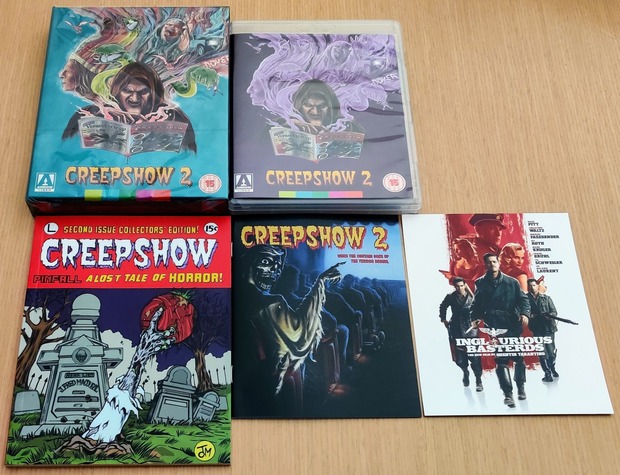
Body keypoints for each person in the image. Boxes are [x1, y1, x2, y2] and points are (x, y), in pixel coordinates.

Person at [234, 244, 342, 416]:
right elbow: (300, 329)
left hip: (244, 375)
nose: (275, 269)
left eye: (278, 264)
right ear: (250, 263)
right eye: (266, 262)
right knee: (300, 360)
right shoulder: (272, 302)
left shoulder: (235, 296)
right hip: (268, 374)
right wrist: (320, 281)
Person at [63, 62, 196, 152]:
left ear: (154, 95)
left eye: (143, 91)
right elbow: (67, 149)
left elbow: (190, 156)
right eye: (127, 90)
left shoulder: (174, 117)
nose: (134, 98)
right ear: (117, 91)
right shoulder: (89, 114)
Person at [471, 254, 530, 408]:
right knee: (501, 359)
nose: (492, 264)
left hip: (512, 323)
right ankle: (508, 394)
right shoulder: (480, 283)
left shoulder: (512, 282)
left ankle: (521, 388)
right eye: (489, 262)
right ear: (485, 265)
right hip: (494, 325)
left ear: (498, 263)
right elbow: (476, 304)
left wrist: (524, 313)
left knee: (518, 357)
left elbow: (523, 300)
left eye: (494, 261)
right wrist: (475, 317)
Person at [439, 277, 483, 392]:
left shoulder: (473, 297)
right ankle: (465, 372)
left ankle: (478, 380)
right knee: (460, 358)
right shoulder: (451, 297)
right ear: (455, 287)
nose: (460, 288)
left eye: (462, 286)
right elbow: (443, 306)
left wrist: (478, 319)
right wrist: (443, 319)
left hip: (470, 328)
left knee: (475, 357)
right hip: (456, 328)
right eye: (457, 286)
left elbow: (480, 309)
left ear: (465, 285)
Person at [291, 79, 363, 134]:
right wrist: (291, 124)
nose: (315, 111)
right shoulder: (291, 124)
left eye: (322, 105)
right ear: (299, 107)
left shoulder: (346, 125)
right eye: (309, 105)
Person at [527, 278, 559, 382]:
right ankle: (547, 373)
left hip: (548, 328)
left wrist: (549, 316)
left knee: (551, 352)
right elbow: (521, 312)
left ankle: (552, 368)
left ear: (537, 286)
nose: (532, 287)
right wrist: (530, 316)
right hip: (537, 329)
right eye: (530, 286)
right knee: (541, 352)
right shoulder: (525, 299)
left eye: (534, 285)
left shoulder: (546, 298)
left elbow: (554, 312)